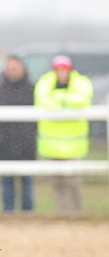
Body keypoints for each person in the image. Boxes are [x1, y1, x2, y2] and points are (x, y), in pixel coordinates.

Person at [35, 54, 94, 213]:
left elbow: (82, 100)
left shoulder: (81, 82)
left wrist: (58, 99)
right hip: (50, 146)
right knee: (57, 183)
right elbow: (42, 101)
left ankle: (78, 212)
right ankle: (62, 212)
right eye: (58, 69)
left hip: (73, 146)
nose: (61, 72)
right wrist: (66, 100)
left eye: (64, 69)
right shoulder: (45, 82)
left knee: (73, 182)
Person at [0, 55, 36, 212]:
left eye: (14, 68)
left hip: (27, 147)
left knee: (27, 185)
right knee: (6, 185)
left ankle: (28, 214)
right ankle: (7, 215)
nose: (11, 72)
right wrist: (0, 134)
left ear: (22, 69)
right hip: (5, 146)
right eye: (9, 69)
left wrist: (29, 133)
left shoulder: (32, 90)